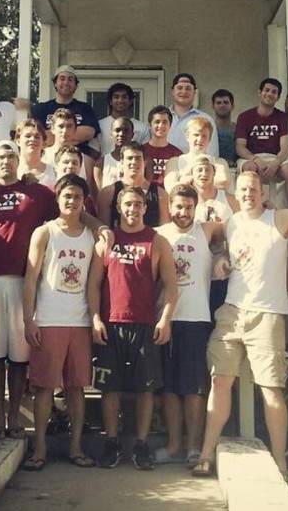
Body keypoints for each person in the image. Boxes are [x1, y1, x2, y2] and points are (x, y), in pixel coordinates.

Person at [192, 171, 288, 477]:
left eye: (254, 189)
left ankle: (280, 460)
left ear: (264, 192)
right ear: (236, 194)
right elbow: (219, 247)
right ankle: (205, 453)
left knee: (271, 389)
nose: (249, 193)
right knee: (220, 381)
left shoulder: (280, 219)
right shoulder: (233, 222)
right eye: (243, 189)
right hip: (232, 313)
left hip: (266, 316)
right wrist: (220, 258)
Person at [0, 141, 60, 440]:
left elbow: (66, 216)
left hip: (27, 282)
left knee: (20, 358)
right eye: (0, 156)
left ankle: (13, 419)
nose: (5, 160)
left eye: (11, 155)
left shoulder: (37, 193)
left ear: (18, 159)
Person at [88, 186, 178, 469]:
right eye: (127, 204)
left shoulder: (157, 241)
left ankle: (141, 445)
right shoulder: (107, 241)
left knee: (145, 389)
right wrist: (95, 318)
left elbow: (171, 285)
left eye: (138, 204)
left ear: (144, 207)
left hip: (144, 324)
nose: (132, 209)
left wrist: (165, 319)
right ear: (118, 207)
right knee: (110, 388)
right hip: (111, 323)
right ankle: (112, 442)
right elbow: (93, 284)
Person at [22, 174, 99, 471]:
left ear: (84, 201)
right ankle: (39, 449)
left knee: (77, 388)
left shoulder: (91, 237)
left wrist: (93, 319)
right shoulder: (44, 233)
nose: (72, 201)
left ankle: (76, 447)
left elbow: (94, 283)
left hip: (79, 321)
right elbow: (30, 280)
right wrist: (28, 320)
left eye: (77, 196)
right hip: (49, 319)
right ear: (58, 199)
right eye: (67, 196)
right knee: (43, 388)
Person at [155, 185, 225, 466]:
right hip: (165, 319)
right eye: (178, 207)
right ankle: (173, 445)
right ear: (170, 207)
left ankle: (194, 446)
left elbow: (236, 226)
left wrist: (222, 256)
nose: (183, 213)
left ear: (196, 207)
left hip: (197, 318)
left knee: (195, 387)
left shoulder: (205, 230)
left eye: (188, 207)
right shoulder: (159, 234)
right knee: (170, 388)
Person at [235, 77, 288, 211]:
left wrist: (276, 163)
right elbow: (240, 147)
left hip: (274, 157)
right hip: (251, 157)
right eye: (267, 90)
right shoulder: (245, 117)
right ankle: (250, 210)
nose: (269, 94)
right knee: (249, 168)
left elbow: (285, 147)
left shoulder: (282, 118)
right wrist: (256, 159)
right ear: (260, 92)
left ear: (278, 97)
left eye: (274, 92)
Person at [31, 65, 100, 155]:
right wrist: (73, 137)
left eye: (70, 79)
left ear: (75, 85)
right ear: (55, 83)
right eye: (62, 79)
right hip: (48, 159)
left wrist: (53, 136)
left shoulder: (85, 108)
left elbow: (89, 132)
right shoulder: (41, 109)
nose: (66, 82)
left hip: (78, 160)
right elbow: (38, 135)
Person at [97, 143, 169, 229]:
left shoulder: (161, 195)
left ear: (145, 162)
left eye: (138, 158)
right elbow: (104, 231)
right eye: (130, 158)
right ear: (122, 162)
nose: (134, 162)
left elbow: (165, 232)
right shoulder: (107, 194)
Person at [164, 116, 230, 191]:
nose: (200, 139)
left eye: (204, 136)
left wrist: (188, 181)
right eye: (196, 135)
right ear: (187, 136)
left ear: (210, 138)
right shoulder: (175, 161)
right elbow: (170, 186)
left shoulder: (219, 163)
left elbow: (223, 183)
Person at [167, 73, 219, 157]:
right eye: (180, 88)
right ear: (172, 91)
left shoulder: (205, 119)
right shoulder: (161, 118)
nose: (184, 92)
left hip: (194, 168)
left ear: (194, 92)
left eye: (188, 88)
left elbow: (212, 154)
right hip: (164, 168)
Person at [95, 83, 150, 156]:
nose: (120, 100)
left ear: (130, 101)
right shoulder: (100, 126)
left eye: (124, 97)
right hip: (106, 167)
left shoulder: (143, 128)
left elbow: (145, 156)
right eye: (116, 97)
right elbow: (94, 155)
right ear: (110, 101)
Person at [144, 105, 183, 187]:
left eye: (164, 122)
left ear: (170, 125)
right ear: (150, 125)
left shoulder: (178, 154)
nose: (161, 125)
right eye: (157, 122)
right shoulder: (141, 151)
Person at [94, 117, 135, 192]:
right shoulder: (101, 163)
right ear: (111, 134)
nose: (121, 134)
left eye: (126, 130)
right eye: (117, 130)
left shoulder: (140, 162)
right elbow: (99, 195)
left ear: (132, 135)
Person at [15, 118, 56, 185]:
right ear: (18, 141)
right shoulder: (10, 171)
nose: (32, 139)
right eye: (28, 136)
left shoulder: (54, 173)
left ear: (44, 143)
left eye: (37, 137)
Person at [211, 89, 237, 168]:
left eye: (226, 102)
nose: (222, 105)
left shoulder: (239, 129)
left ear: (232, 106)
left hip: (236, 169)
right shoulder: (209, 129)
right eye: (218, 103)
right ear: (213, 107)